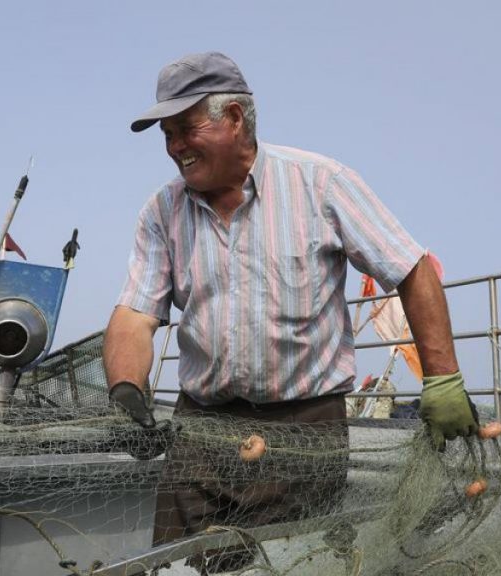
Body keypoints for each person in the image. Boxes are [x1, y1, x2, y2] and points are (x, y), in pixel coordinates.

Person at [102, 51, 477, 567]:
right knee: (177, 565)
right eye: (167, 134)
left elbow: (413, 270)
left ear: (234, 118)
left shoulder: (321, 183)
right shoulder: (162, 211)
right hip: (201, 431)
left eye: (186, 128)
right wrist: (125, 388)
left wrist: (442, 380)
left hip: (304, 431)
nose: (175, 148)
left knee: (287, 564)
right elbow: (134, 313)